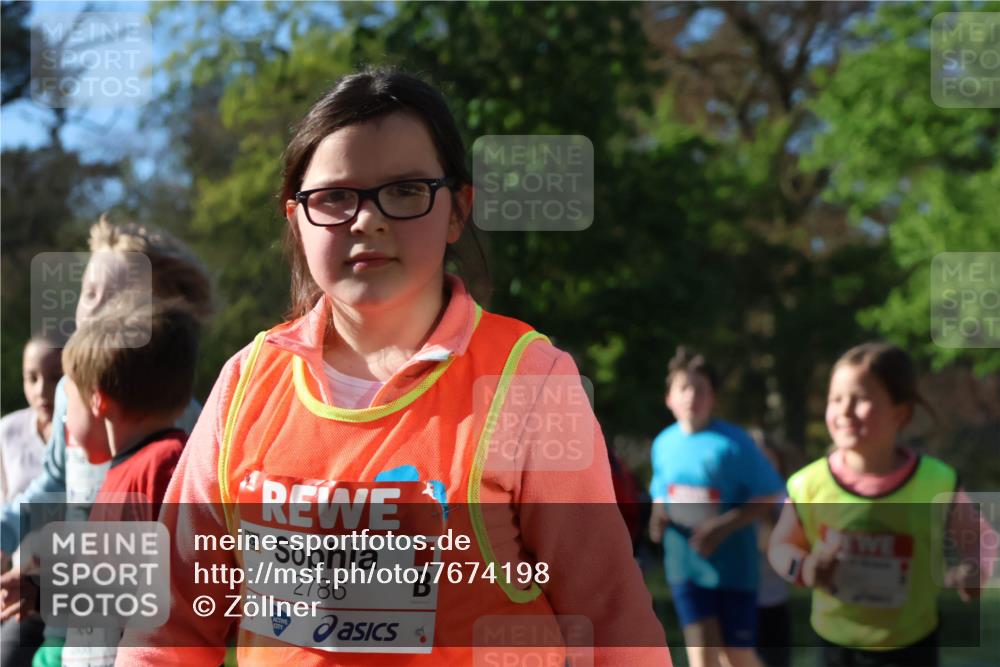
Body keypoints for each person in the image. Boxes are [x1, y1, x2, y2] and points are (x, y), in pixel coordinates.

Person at [115, 67, 669, 666]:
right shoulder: (246, 382)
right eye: (334, 196)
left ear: (457, 210)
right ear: (296, 217)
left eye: (406, 190)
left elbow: (611, 617)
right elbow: (168, 630)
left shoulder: (529, 380)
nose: (367, 220)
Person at [0, 215, 212, 667]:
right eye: (89, 293)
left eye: (115, 299)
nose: (93, 310)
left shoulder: (182, 428)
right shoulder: (63, 393)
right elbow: (52, 480)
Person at [767, 342, 997, 667]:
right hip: (837, 645)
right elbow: (780, 547)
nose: (844, 411)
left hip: (911, 646)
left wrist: (975, 571)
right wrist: (802, 567)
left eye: (859, 399)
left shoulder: (936, 482)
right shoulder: (808, 484)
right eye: (835, 399)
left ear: (899, 412)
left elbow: (980, 538)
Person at [52, 297, 200, 667]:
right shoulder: (127, 468)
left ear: (98, 401)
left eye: (69, 405)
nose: (66, 423)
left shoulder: (163, 465)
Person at [648, 347, 783, 667]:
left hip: (734, 571)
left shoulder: (734, 443)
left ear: (714, 398)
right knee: (701, 658)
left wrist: (722, 528)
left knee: (735, 657)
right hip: (685, 569)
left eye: (701, 389)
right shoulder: (663, 442)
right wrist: (657, 517)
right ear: (669, 397)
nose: (692, 396)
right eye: (684, 388)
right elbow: (660, 492)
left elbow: (769, 494)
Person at [0, 337, 61, 667]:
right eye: (32, 377)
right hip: (22, 592)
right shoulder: (7, 432)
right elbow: (10, 508)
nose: (42, 389)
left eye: (55, 377)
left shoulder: (90, 436)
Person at [747, 430, 791, 667]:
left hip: (773, 601)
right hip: (735, 599)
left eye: (767, 461)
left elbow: (771, 545)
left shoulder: (785, 498)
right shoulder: (733, 498)